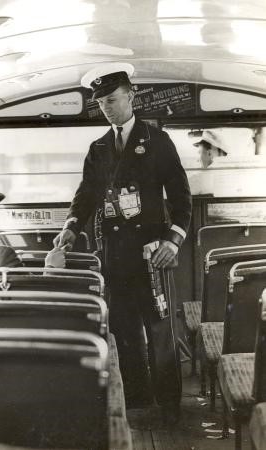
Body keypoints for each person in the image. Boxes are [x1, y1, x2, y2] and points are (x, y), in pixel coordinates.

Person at [54, 63, 192, 424]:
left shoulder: (157, 140)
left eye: (113, 100)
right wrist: (71, 226)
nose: (108, 108)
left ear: (131, 95)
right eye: (101, 104)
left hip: (152, 256)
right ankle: (136, 402)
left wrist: (173, 242)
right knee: (124, 331)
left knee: (161, 331)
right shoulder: (98, 148)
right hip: (114, 257)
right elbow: (85, 195)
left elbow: (181, 199)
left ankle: (170, 408)